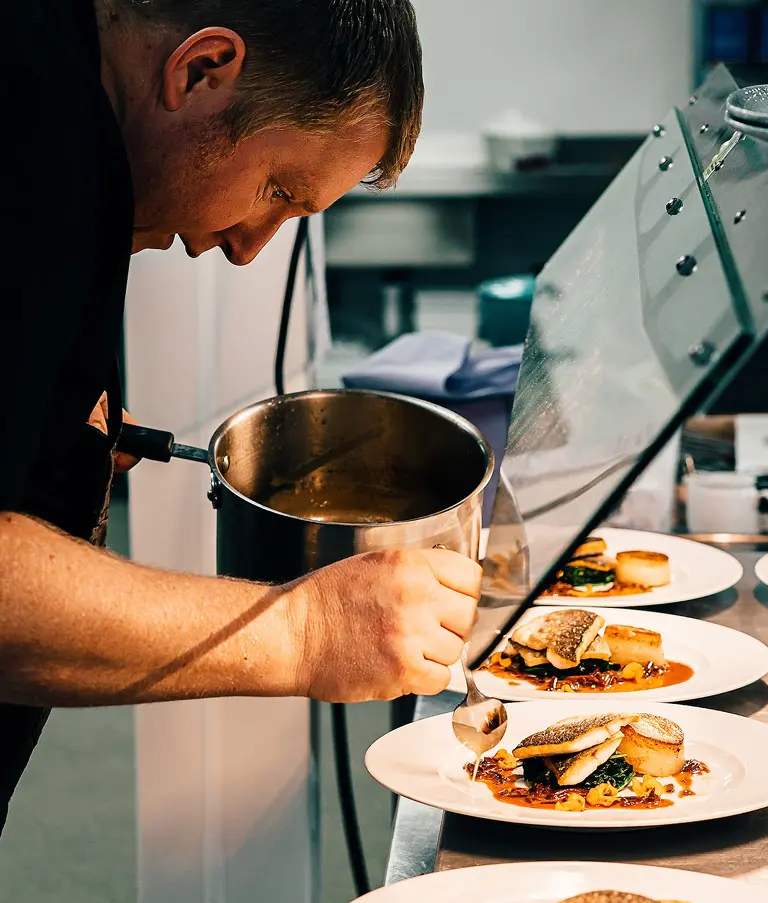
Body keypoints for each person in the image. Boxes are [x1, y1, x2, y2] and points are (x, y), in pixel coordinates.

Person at [0, 0, 480, 834]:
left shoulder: (65, 102)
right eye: (279, 189)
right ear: (199, 69)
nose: (250, 246)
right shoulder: (28, 140)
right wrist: (308, 630)